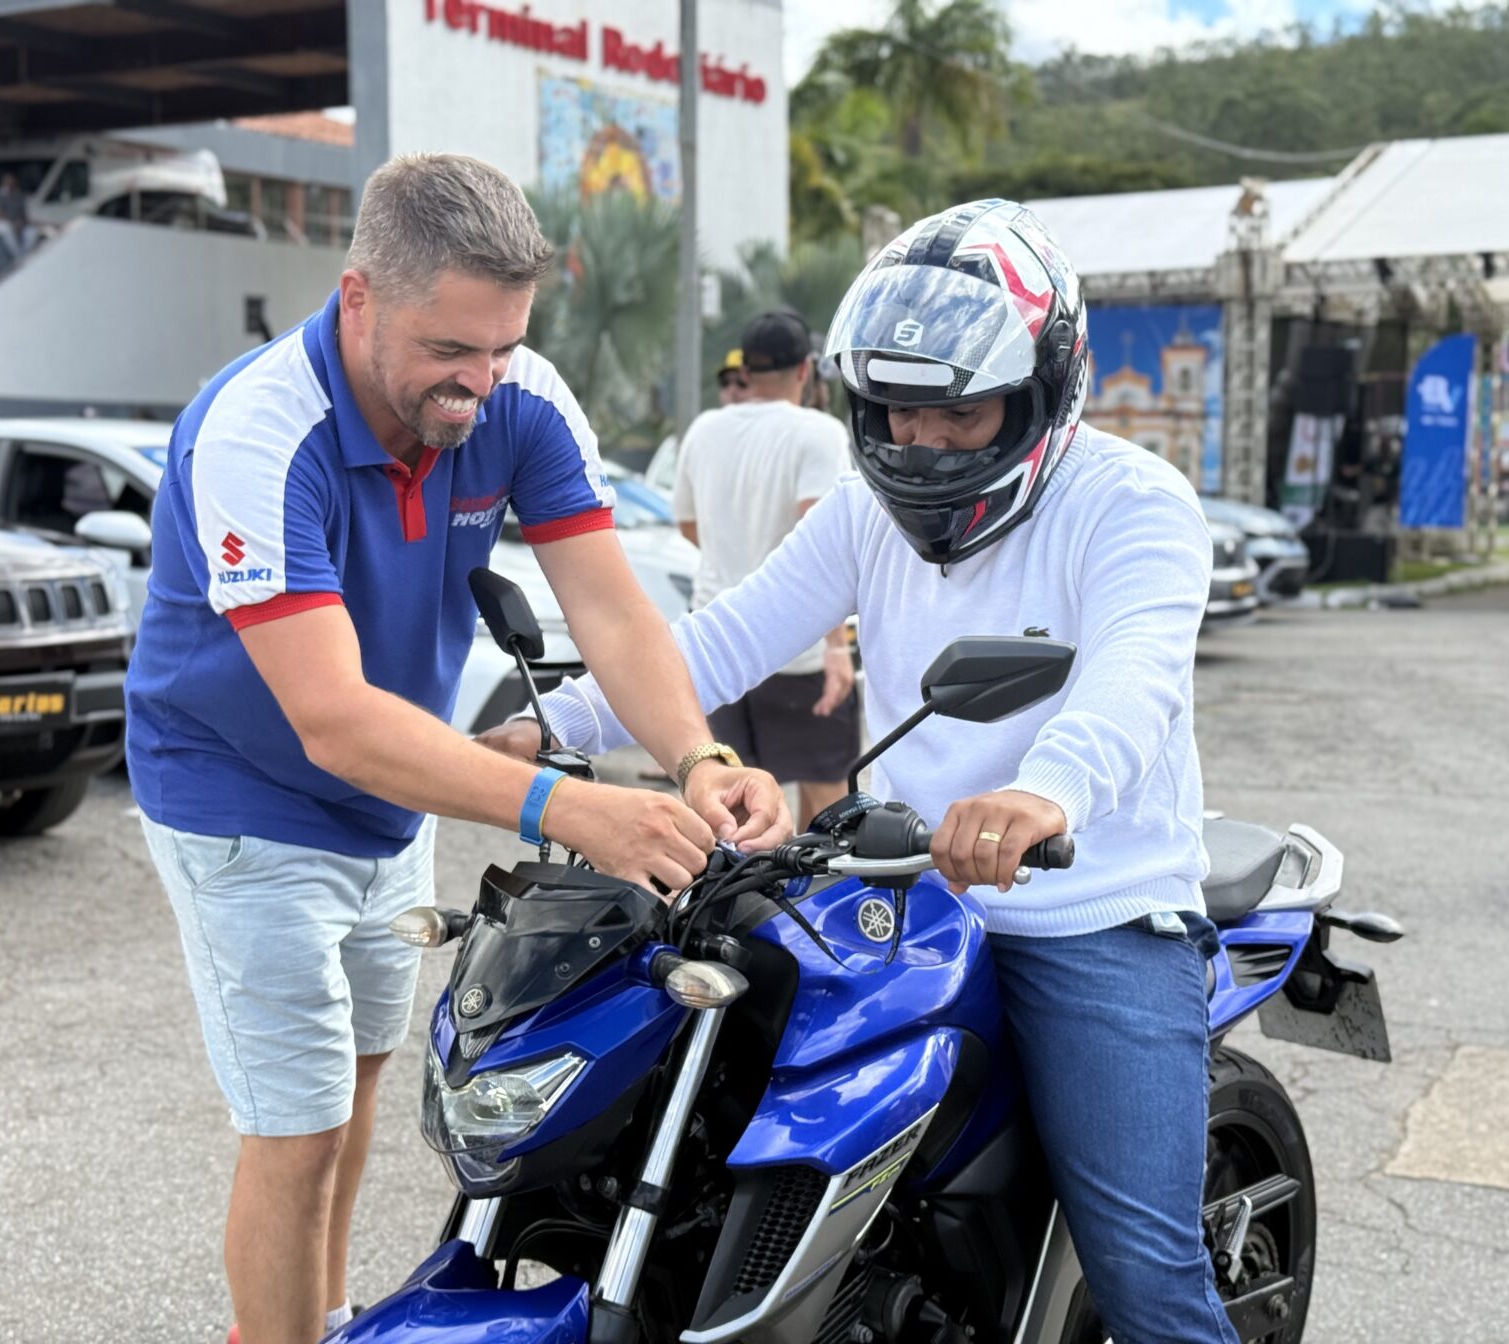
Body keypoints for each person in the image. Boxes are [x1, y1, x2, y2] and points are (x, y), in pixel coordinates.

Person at [485, 199, 1245, 1344]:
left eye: (957, 413)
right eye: (894, 411)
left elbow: (1130, 681)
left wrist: (1045, 794)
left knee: (1146, 1275)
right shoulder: (864, 509)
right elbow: (724, 638)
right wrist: (555, 724)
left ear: (1044, 390)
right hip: (901, 897)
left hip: (1086, 906)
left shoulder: (1134, 505)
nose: (921, 442)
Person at [126, 153, 788, 1344]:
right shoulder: (260, 429)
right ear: (359, 294)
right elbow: (327, 717)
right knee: (297, 1124)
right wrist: (566, 808)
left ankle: (320, 1318)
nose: (479, 382)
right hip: (236, 797)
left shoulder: (517, 393)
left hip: (393, 790)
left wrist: (696, 756)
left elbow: (614, 609)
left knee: (369, 1076)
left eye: (502, 346)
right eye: (451, 351)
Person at [666, 308, 859, 820]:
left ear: (745, 372)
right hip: (797, 652)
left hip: (715, 647)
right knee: (828, 807)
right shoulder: (818, 432)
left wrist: (737, 551)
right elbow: (826, 546)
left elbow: (687, 525)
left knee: (734, 810)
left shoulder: (704, 430)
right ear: (804, 370)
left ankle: (747, 903)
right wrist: (837, 650)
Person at [0, 171, 31, 257]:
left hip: (18, 223)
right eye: (8, 183)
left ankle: (27, 256)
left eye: (12, 183)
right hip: (4, 222)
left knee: (31, 233)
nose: (10, 185)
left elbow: (23, 213)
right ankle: (17, 255)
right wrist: (12, 222)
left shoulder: (19, 195)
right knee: (7, 230)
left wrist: (22, 222)